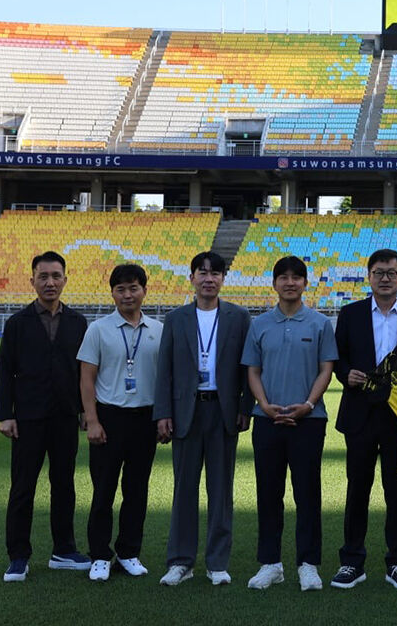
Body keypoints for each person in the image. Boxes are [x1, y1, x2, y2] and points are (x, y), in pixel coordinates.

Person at [153, 251, 253, 587]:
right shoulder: (176, 318)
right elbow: (164, 371)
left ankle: (217, 562)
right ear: (192, 277)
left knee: (221, 489)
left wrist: (245, 406)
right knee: (184, 489)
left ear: (224, 278)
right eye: (202, 272)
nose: (209, 278)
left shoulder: (239, 318)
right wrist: (163, 413)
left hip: (223, 412)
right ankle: (180, 561)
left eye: (215, 273)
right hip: (186, 411)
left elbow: (247, 368)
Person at [331, 249, 397, 591]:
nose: (385, 278)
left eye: (391, 273)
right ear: (369, 276)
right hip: (359, 414)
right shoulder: (351, 313)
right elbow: (337, 357)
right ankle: (351, 562)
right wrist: (347, 375)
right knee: (358, 489)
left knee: (396, 491)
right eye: (379, 272)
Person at [242, 256, 337, 592]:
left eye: (297, 277)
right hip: (267, 420)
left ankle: (308, 564)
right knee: (268, 493)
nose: (290, 282)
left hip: (308, 420)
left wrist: (308, 404)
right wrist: (264, 406)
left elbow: (326, 369)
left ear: (305, 283)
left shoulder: (320, 323)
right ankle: (271, 563)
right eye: (283, 277)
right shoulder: (260, 324)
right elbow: (252, 370)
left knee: (307, 493)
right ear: (274, 283)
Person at [0, 250, 90, 581]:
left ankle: (63, 550)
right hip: (29, 418)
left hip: (65, 416)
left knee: (64, 485)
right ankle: (18, 555)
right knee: (23, 487)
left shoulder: (78, 323)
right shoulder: (17, 323)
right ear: (32, 280)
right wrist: (5, 415)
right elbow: (5, 371)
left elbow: (85, 372)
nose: (50, 282)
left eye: (55, 276)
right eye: (43, 276)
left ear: (66, 278)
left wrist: (84, 411)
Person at [77, 264, 163, 581]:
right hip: (108, 418)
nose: (127, 294)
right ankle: (99, 554)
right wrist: (92, 420)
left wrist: (162, 418)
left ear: (144, 290)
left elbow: (164, 378)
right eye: (121, 289)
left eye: (133, 288)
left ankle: (128, 552)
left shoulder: (158, 330)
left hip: (145, 419)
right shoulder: (98, 329)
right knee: (103, 491)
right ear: (112, 292)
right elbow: (86, 379)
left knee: (137, 491)